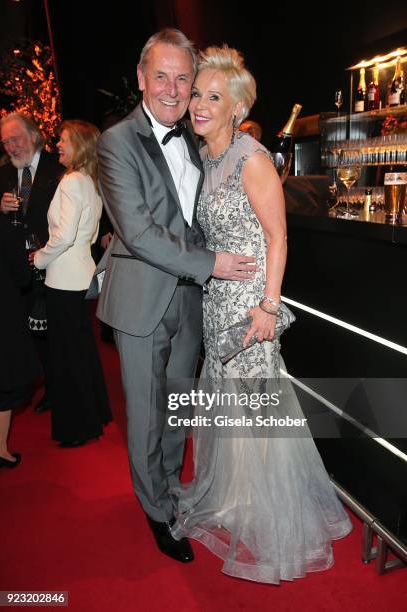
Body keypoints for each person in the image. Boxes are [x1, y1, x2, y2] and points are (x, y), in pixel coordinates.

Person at [170, 45, 352, 584]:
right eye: (197, 94)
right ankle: (233, 499)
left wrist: (270, 307)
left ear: (236, 106)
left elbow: (279, 236)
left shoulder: (251, 158)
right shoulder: (207, 156)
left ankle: (268, 515)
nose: (199, 105)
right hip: (216, 301)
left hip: (251, 309)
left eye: (213, 97)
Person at [96, 28, 257, 564]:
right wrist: (214, 264)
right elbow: (139, 233)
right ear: (141, 79)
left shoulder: (195, 137)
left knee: (178, 408)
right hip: (142, 300)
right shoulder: (117, 141)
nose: (171, 88)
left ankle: (169, 486)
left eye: (182, 78)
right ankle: (156, 510)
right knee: (145, 413)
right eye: (160, 76)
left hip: (193, 302)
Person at [34, 120, 112, 448]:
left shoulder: (70, 182)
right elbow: (91, 235)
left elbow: (63, 236)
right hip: (81, 274)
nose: (57, 146)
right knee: (81, 350)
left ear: (79, 144)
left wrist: (38, 258)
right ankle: (95, 414)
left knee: (66, 355)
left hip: (63, 278)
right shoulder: (92, 182)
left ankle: (77, 427)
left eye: (63, 141)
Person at [0, 112, 63, 414]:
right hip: (17, 267)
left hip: (53, 261)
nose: (11, 147)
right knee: (29, 329)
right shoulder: (3, 173)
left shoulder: (59, 166)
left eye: (16, 139)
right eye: (6, 142)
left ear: (34, 135)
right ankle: (42, 383)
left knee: (56, 332)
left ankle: (60, 387)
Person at [0, 215, 39, 468]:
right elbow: (23, 276)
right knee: (4, 384)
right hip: (4, 312)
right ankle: (0, 450)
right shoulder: (6, 228)